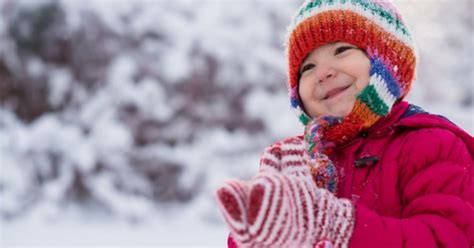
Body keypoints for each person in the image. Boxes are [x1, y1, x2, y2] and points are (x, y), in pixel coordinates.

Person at [215, 0, 474, 247]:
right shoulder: (295, 160)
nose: (323, 72)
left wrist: (335, 226)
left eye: (341, 50)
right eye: (307, 67)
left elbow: (444, 238)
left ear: (386, 57)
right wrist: (262, 230)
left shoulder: (430, 144)